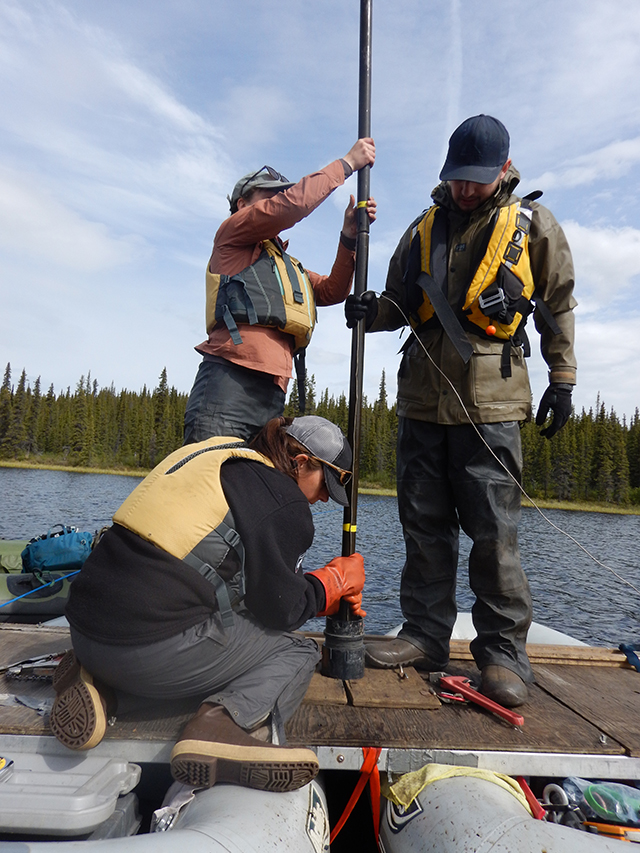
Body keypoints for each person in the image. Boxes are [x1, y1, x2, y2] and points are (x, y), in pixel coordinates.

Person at [345, 115, 577, 708]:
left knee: (493, 536)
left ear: (503, 170)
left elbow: (558, 303)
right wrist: (368, 312)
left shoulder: (534, 225)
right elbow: (398, 304)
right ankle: (425, 635)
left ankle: (503, 656)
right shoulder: (421, 229)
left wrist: (564, 377)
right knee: (423, 528)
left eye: (477, 180)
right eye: (458, 179)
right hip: (422, 403)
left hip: (492, 406)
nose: (466, 190)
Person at [50, 415, 365, 793]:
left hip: (85, 634)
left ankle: (108, 690)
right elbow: (280, 611)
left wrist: (317, 591)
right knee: (297, 650)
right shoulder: (284, 502)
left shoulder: (214, 454)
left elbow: (220, 575)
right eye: (326, 485)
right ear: (300, 463)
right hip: (144, 650)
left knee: (206, 612)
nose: (325, 498)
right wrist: (331, 583)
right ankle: (219, 726)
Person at [183, 139, 377, 444]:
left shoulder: (289, 267)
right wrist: (347, 164)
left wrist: (349, 237)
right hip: (226, 389)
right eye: (269, 196)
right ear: (242, 205)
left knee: (257, 489)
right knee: (210, 485)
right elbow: (293, 205)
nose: (279, 199)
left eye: (280, 194)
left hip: (273, 397)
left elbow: (333, 290)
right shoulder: (230, 236)